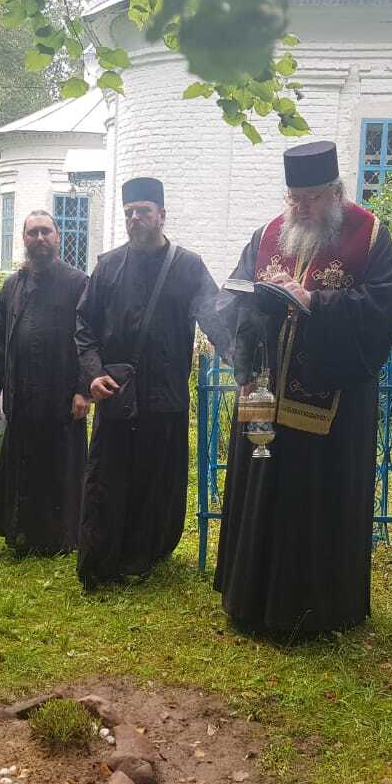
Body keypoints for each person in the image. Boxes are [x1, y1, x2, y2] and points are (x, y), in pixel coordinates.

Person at [214, 141, 392, 635]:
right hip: (265, 395)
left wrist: (314, 302)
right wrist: (253, 307)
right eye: (294, 197)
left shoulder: (370, 236)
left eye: (311, 198)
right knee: (262, 491)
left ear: (335, 193)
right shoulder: (267, 235)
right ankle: (249, 600)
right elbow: (234, 296)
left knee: (312, 503)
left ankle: (314, 609)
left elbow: (380, 313)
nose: (300, 207)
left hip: (328, 406)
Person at [75, 176, 229, 588]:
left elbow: (216, 319)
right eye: (128, 212)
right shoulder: (108, 266)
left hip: (164, 395)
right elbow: (84, 326)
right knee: (107, 477)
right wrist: (93, 374)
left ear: (162, 215)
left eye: (142, 211)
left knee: (154, 479)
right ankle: (102, 557)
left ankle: (143, 554)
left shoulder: (188, 266)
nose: (134, 218)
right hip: (117, 392)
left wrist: (245, 362)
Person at [0, 211, 89, 555]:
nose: (40, 238)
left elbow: (88, 339)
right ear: (24, 239)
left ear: (58, 237)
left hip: (62, 395)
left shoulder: (77, 283)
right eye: (33, 233)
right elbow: (0, 339)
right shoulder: (12, 286)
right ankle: (21, 534)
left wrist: (83, 390)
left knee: (60, 465)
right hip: (22, 392)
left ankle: (60, 538)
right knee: (23, 463)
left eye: (46, 231)